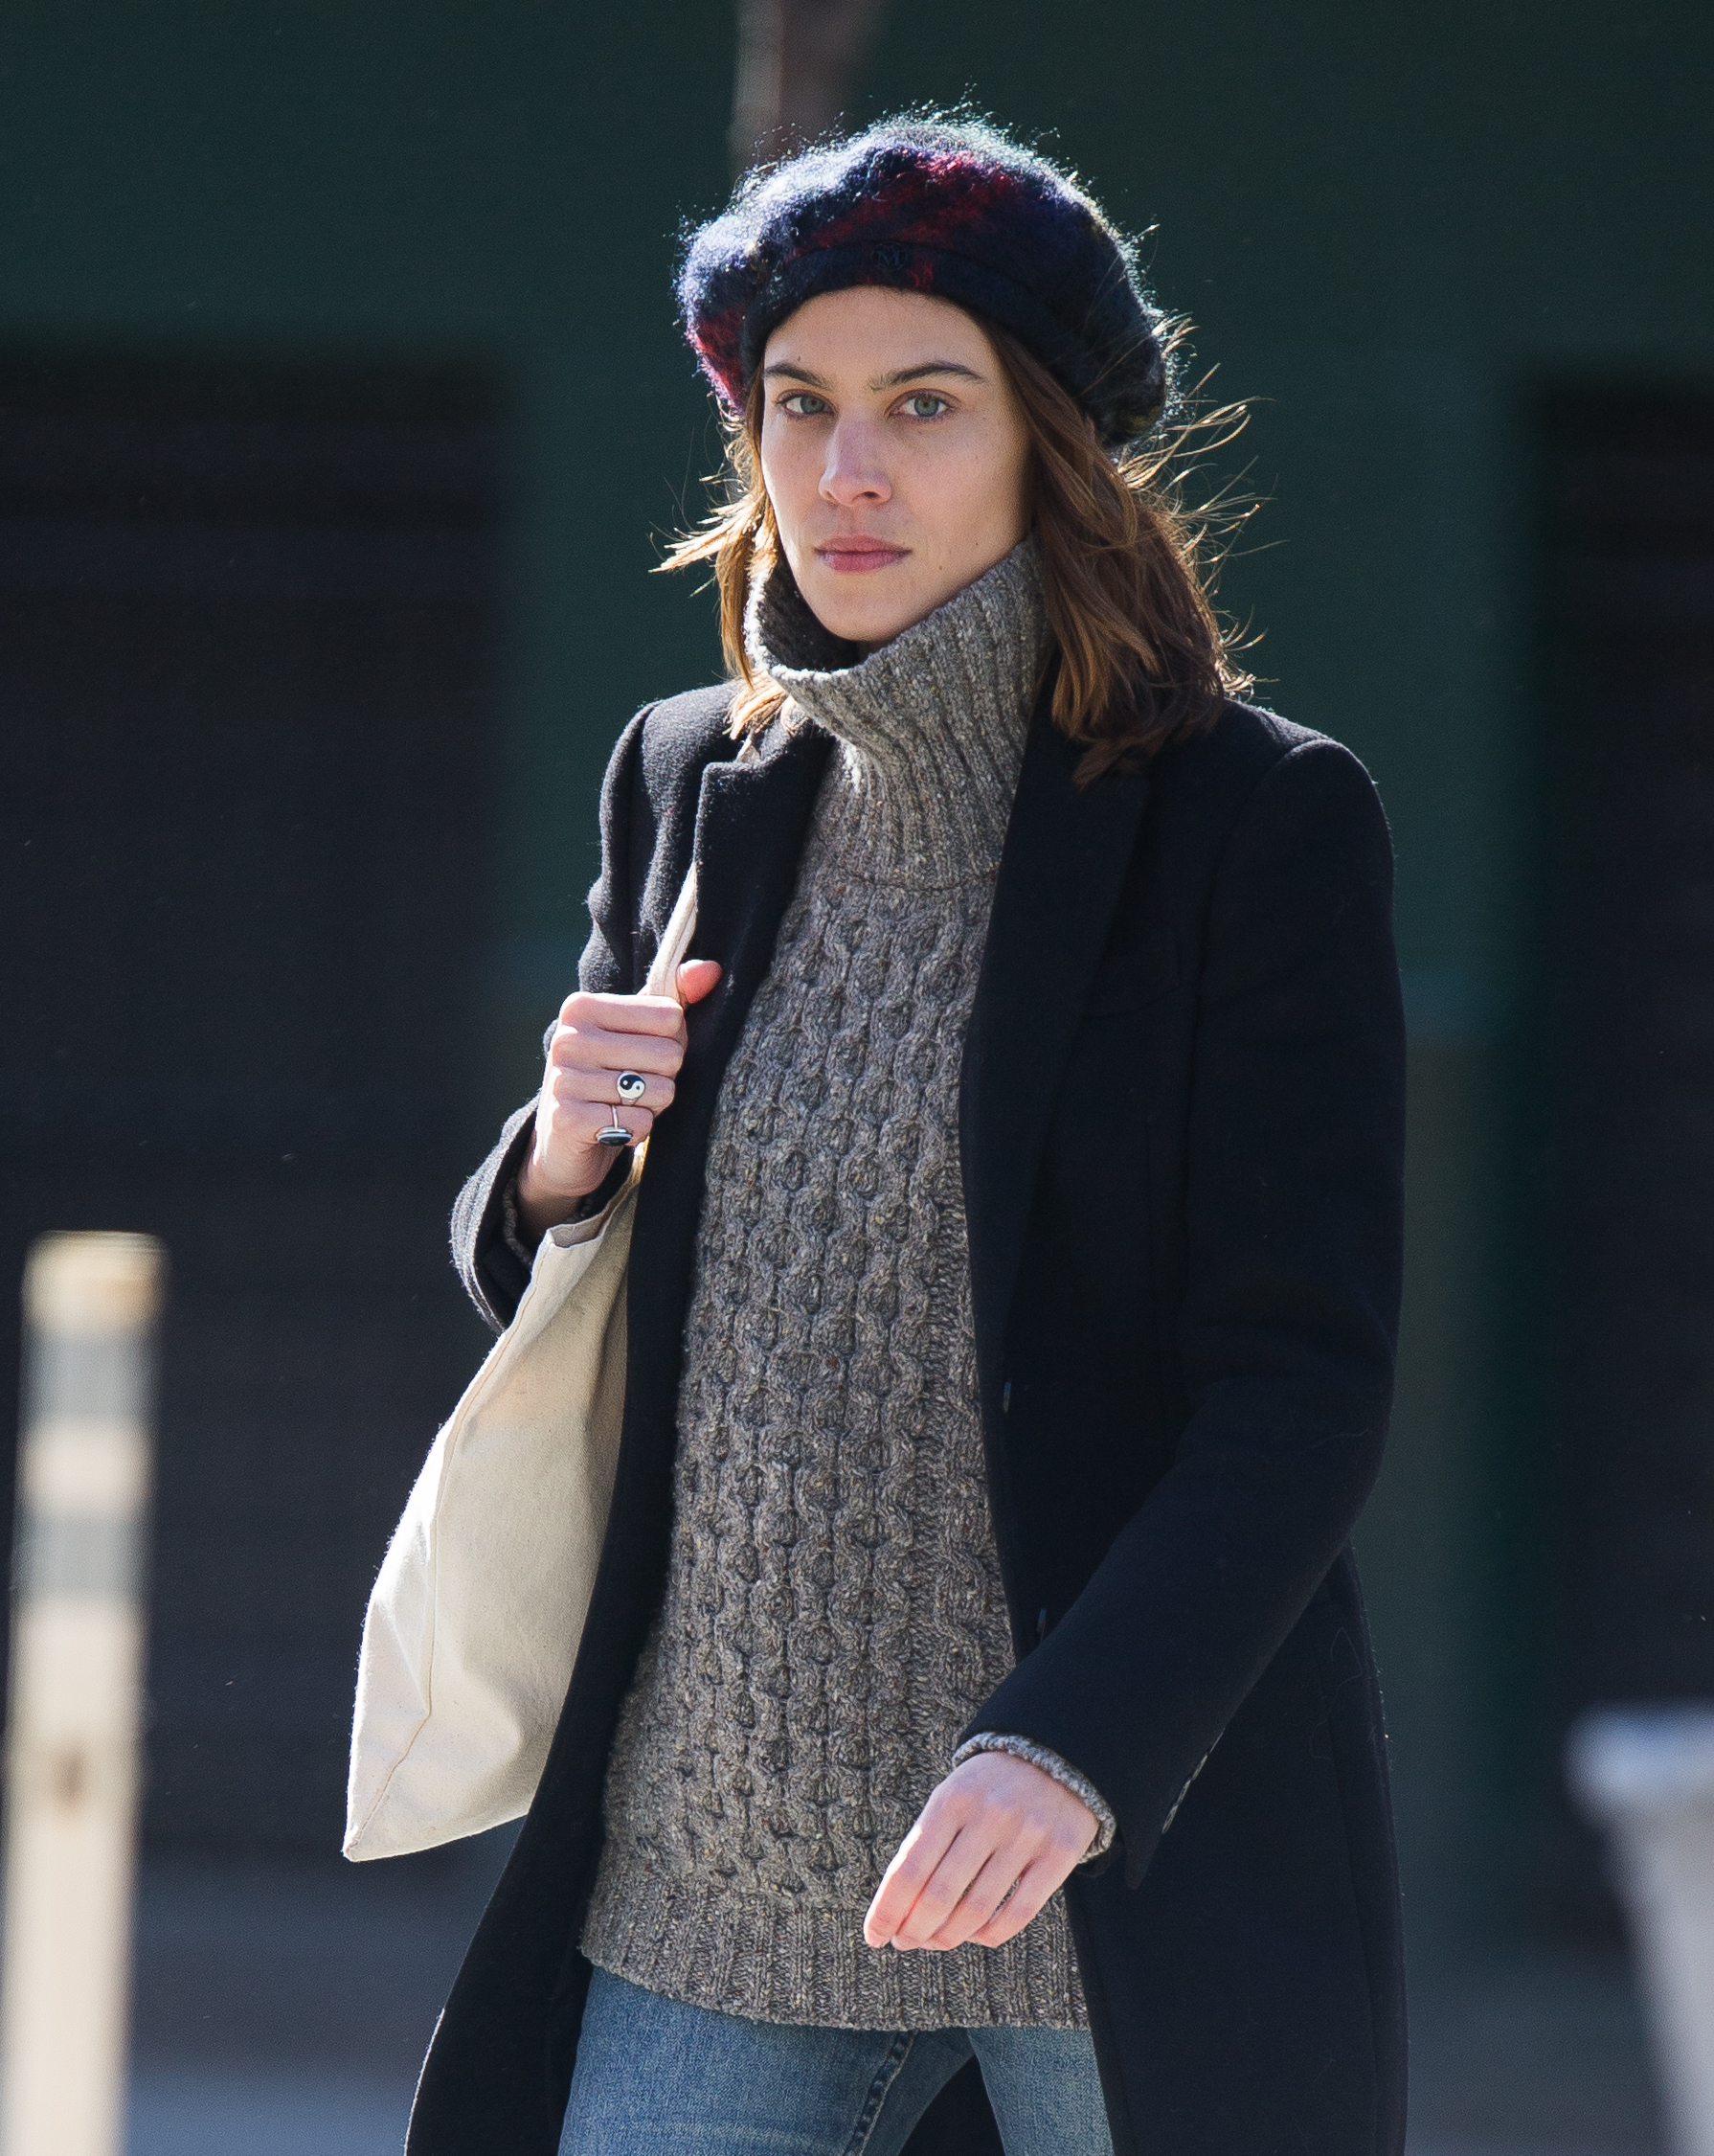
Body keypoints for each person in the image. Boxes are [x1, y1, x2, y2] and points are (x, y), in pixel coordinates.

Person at [408, 116, 1408, 2156]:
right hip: (708, 1888)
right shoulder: (685, 779)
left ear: (1049, 441)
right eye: (801, 406)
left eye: (923, 406)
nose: (846, 471)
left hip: (1103, 1881)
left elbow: (1298, 1388)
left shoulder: (1256, 823)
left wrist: (1071, 1748)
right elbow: (572, 1304)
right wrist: (557, 1163)